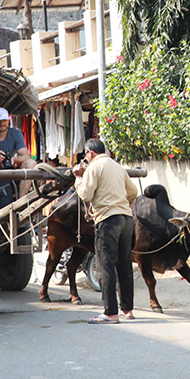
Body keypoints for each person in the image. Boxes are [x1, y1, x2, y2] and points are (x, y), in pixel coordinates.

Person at [73, 138, 140, 324]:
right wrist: (123, 206)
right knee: (124, 264)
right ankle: (128, 309)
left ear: (89, 153)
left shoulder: (93, 167)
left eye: (85, 155)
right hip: (126, 218)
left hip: (108, 219)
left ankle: (110, 313)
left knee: (105, 265)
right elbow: (133, 192)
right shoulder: (117, 166)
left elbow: (85, 194)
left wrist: (78, 178)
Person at [0, 107, 37, 214]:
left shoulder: (15, 133)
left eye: (4, 121)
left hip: (10, 169)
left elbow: (26, 156)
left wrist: (14, 159)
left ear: (8, 121)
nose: (2, 124)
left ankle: (21, 201)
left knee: (31, 163)